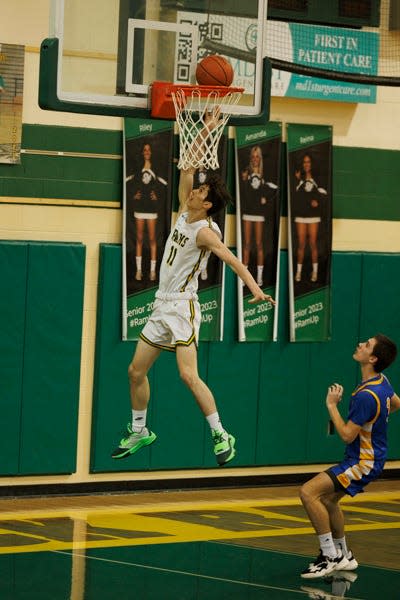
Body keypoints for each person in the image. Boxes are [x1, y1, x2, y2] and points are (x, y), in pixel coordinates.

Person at [112, 113, 275, 466]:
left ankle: (220, 432)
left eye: (201, 192)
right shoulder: (186, 212)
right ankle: (140, 430)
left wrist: (255, 290)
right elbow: (189, 165)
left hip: (183, 307)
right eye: (197, 189)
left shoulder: (206, 232)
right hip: (161, 304)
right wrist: (205, 128)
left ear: (208, 204)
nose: (194, 191)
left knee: (188, 375)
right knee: (135, 371)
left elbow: (233, 261)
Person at [300, 333, 399, 579]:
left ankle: (329, 556)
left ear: (373, 358)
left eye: (366, 345)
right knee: (329, 500)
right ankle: (344, 555)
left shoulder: (366, 396)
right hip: (370, 459)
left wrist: (332, 405)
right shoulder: (381, 382)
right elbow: (395, 403)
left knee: (308, 492)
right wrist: (374, 424)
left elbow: (346, 436)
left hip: (363, 462)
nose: (360, 344)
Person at [240, 145, 278, 287]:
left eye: (257, 156)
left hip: (259, 214)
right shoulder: (246, 172)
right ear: (251, 158)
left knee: (259, 245)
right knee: (247, 245)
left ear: (260, 158)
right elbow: (243, 192)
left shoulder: (265, 174)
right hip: (247, 213)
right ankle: (245, 278)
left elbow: (275, 189)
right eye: (253, 156)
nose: (255, 159)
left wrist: (266, 200)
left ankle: (259, 277)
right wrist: (244, 180)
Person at [130, 142, 167, 282]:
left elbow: (163, 184)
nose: (146, 152)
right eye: (144, 149)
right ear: (142, 152)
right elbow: (130, 183)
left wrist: (157, 195)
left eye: (148, 150)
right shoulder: (137, 168)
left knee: (152, 239)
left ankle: (152, 271)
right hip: (139, 207)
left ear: (151, 152)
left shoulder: (156, 168)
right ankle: (138, 270)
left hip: (151, 208)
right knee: (139, 239)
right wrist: (134, 195)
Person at [293, 153, 327, 283]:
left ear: (311, 164)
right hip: (301, 216)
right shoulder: (297, 177)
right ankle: (298, 272)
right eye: (304, 162)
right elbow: (295, 196)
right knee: (301, 244)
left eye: (308, 162)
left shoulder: (317, 179)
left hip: (313, 217)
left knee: (313, 244)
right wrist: (297, 180)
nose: (306, 164)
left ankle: (315, 272)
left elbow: (324, 194)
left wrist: (317, 202)